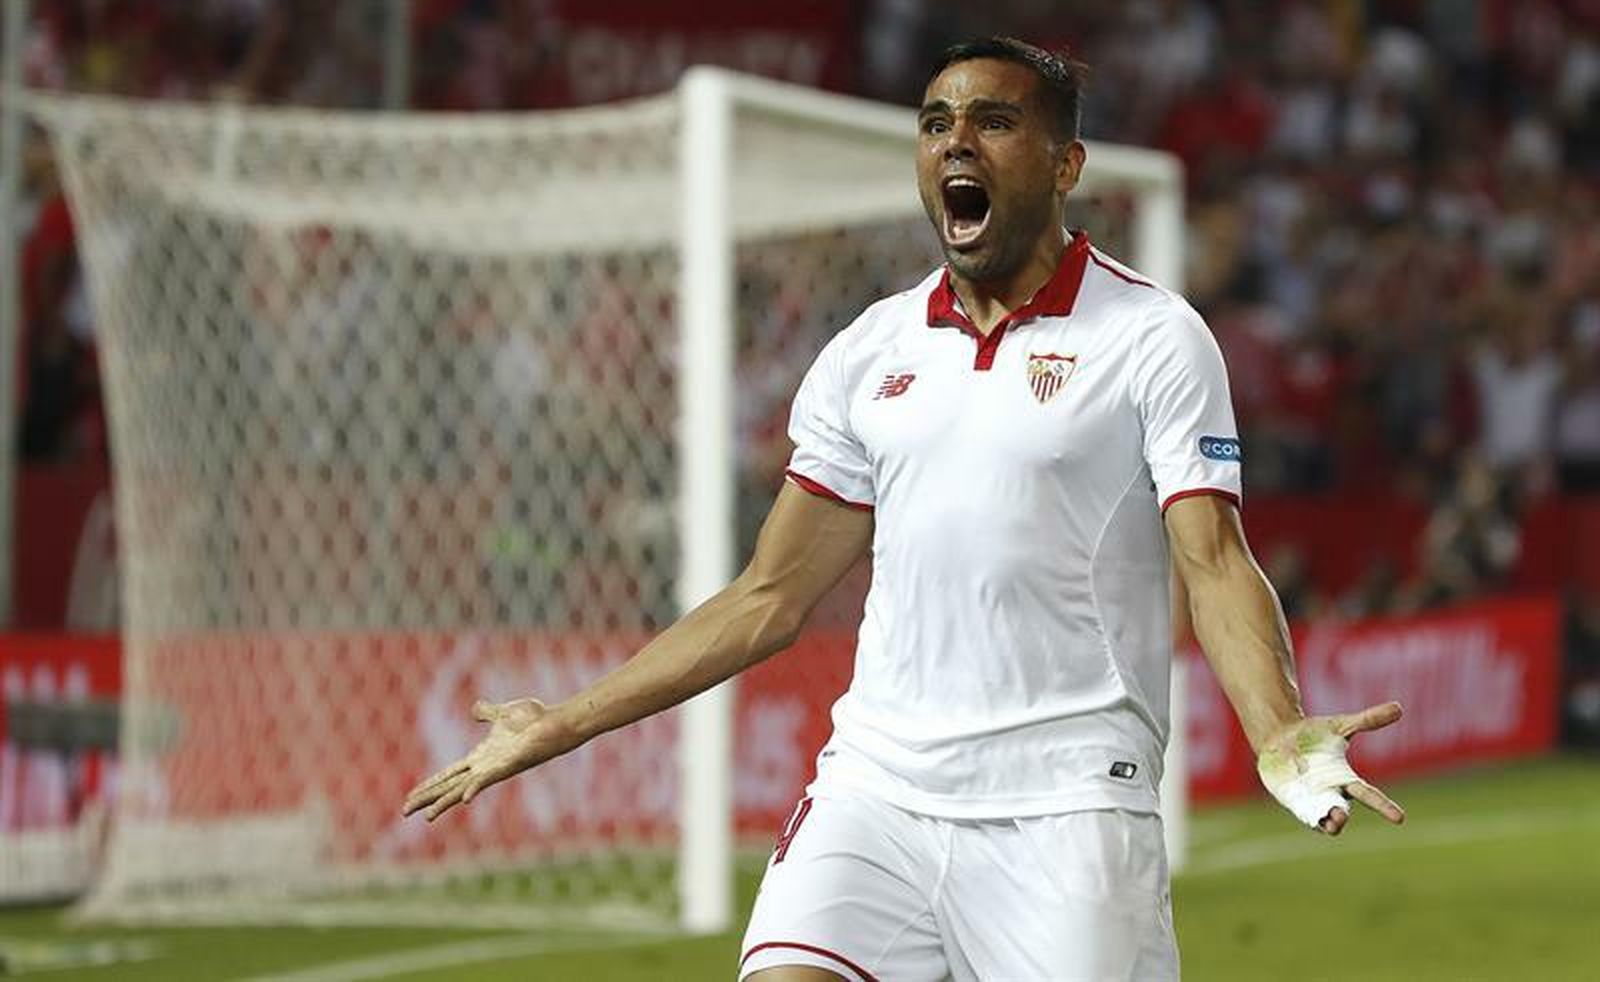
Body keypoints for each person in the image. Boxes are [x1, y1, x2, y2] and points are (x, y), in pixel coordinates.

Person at [403, 37, 1407, 981]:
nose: (956, 142)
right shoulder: (868, 352)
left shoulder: (1150, 335)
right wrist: (564, 722)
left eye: (994, 123)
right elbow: (767, 595)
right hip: (877, 791)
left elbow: (1213, 560)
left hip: (1065, 804)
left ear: (1065, 166)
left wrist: (1277, 726)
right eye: (935, 124)